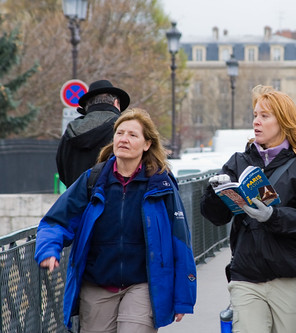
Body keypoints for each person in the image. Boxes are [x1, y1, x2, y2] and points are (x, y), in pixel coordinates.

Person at [35, 108, 196, 332]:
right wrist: (48, 250)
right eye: (120, 133)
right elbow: (56, 220)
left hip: (142, 284)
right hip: (97, 284)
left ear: (147, 144)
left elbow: (180, 241)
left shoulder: (161, 185)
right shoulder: (93, 180)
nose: (124, 139)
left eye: (132, 135)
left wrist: (183, 297)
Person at [200, 85, 296, 333]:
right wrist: (214, 193)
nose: (256, 122)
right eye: (255, 115)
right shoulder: (238, 161)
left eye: (264, 116)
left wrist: (273, 216)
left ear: (283, 121)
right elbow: (215, 217)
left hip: (288, 276)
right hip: (246, 274)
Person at [56, 79, 130, 187]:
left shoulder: (69, 132)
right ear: (116, 103)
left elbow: (62, 170)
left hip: (75, 200)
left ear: (87, 106)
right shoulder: (122, 129)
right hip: (110, 200)